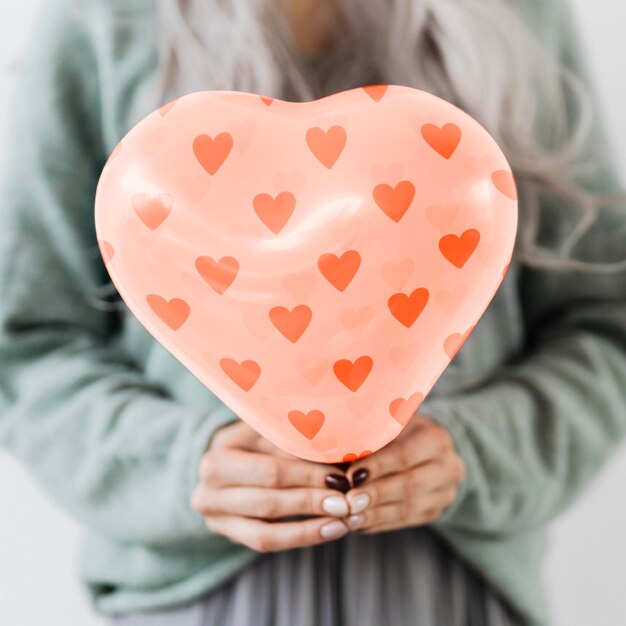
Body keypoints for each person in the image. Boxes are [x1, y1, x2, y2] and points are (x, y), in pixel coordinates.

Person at [1, 0, 625, 625]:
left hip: (452, 591)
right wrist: (183, 465)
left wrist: (475, 453)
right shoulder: (101, 20)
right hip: (191, 597)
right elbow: (26, 343)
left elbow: (603, 325)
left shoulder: (523, 15)